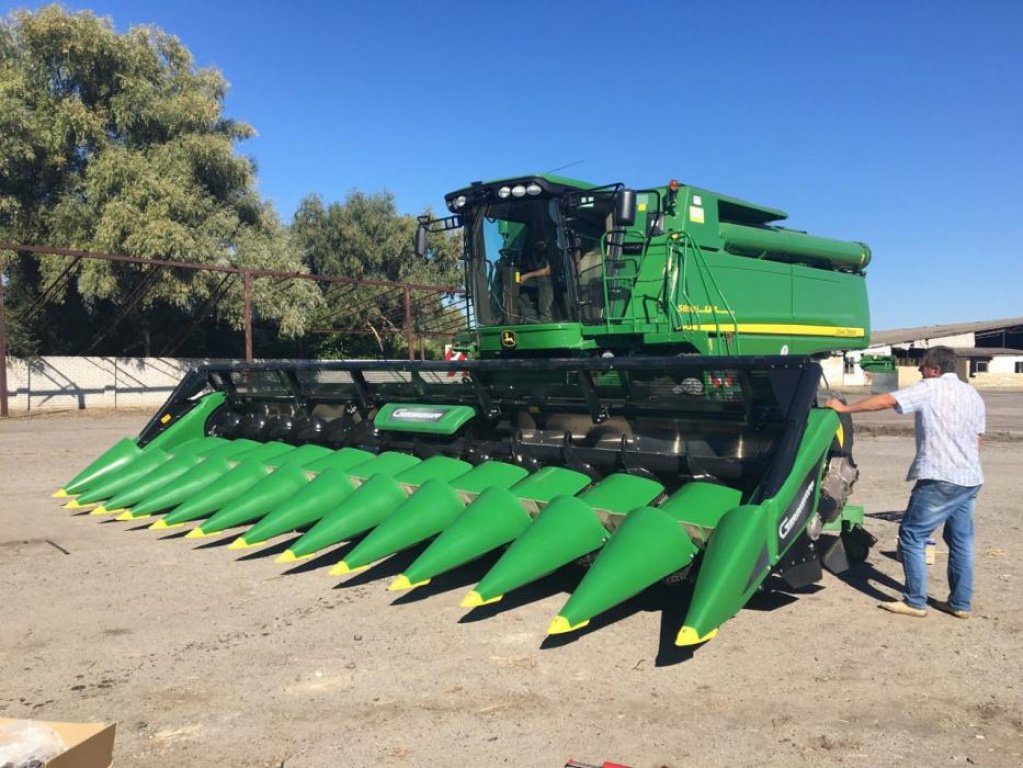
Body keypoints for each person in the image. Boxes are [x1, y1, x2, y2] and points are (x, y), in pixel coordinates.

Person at [826, 346, 985, 619]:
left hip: (939, 477)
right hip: (969, 478)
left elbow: (886, 400)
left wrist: (844, 408)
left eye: (922, 367)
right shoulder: (973, 394)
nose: (920, 371)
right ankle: (960, 604)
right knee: (960, 541)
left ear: (934, 370)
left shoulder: (930, 388)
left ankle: (915, 601)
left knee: (912, 535)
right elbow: (978, 438)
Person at [517, 240, 554, 322]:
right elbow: (518, 271)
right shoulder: (525, 253)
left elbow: (547, 271)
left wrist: (526, 276)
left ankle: (545, 316)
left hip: (549, 281)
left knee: (544, 280)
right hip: (530, 280)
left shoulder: (550, 250)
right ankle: (529, 316)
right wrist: (517, 279)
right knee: (514, 285)